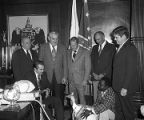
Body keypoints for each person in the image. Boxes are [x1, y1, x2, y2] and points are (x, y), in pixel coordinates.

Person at [112, 26, 139, 120]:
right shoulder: (121, 46)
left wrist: (125, 87)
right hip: (118, 86)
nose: (115, 40)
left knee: (128, 112)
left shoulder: (130, 48)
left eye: (116, 37)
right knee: (118, 110)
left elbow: (131, 70)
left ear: (123, 36)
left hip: (124, 87)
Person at [39, 31, 67, 106]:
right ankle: (48, 116)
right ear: (48, 38)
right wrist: (40, 76)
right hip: (46, 77)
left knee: (59, 98)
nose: (55, 41)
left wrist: (65, 76)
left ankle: (59, 115)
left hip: (59, 77)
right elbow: (40, 62)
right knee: (47, 98)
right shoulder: (43, 47)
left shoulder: (63, 47)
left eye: (57, 39)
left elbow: (65, 63)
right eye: (53, 39)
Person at [91, 31, 116, 102]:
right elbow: (91, 62)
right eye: (96, 39)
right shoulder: (94, 48)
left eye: (98, 39)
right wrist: (93, 73)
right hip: (95, 77)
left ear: (103, 37)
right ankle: (96, 111)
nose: (97, 41)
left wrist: (103, 74)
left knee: (105, 98)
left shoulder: (111, 47)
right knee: (96, 98)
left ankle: (104, 112)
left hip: (106, 77)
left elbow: (112, 63)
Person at [67, 37, 91, 105]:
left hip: (81, 80)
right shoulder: (68, 52)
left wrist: (85, 80)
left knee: (82, 99)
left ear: (78, 44)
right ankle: (74, 115)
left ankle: (83, 114)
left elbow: (88, 67)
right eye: (71, 45)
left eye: (74, 45)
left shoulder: (85, 52)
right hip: (71, 80)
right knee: (73, 100)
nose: (72, 47)